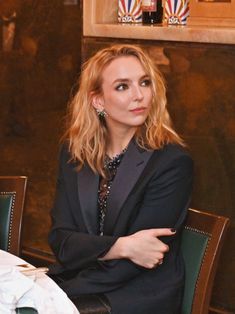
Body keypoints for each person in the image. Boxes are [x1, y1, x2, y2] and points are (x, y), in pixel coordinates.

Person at [48, 44, 193, 314]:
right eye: (122, 86)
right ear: (98, 101)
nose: (139, 95)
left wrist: (60, 291)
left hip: (139, 296)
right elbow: (61, 241)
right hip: (86, 282)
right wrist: (123, 245)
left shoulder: (172, 162)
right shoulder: (74, 153)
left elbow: (142, 258)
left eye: (144, 82)